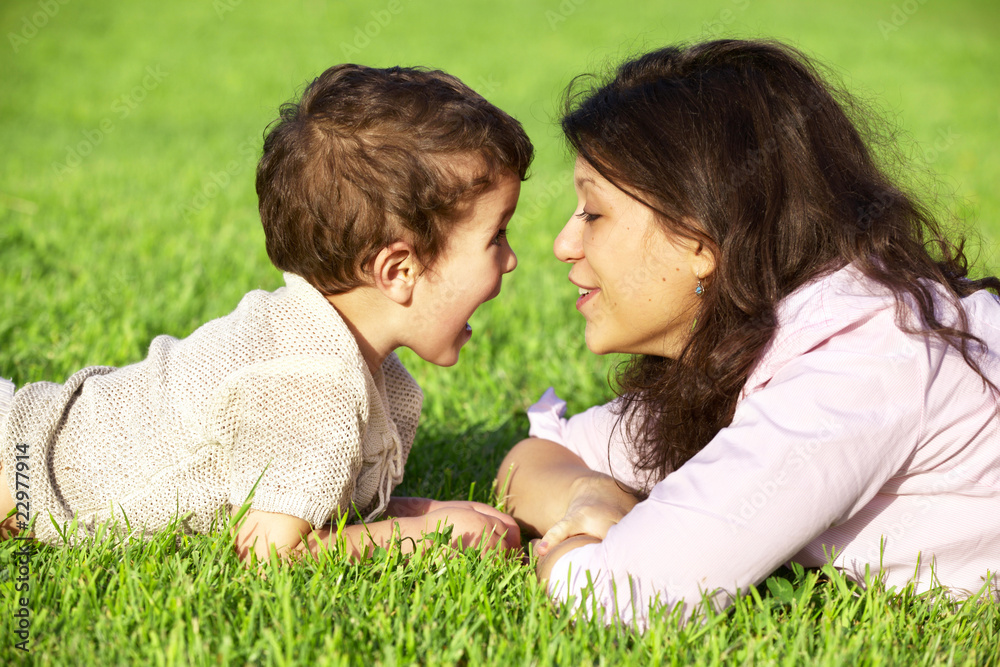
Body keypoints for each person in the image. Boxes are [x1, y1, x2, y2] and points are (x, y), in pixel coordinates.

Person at [496, 39, 1000, 628]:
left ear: (700, 240)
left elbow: (628, 594)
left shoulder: (861, 363)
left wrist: (566, 556)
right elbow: (536, 457)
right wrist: (590, 496)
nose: (564, 245)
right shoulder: (760, 338)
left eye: (594, 213)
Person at [1, 63, 531, 563]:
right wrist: (427, 534)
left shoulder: (345, 355)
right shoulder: (313, 384)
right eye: (496, 235)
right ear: (397, 270)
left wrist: (422, 509)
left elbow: (322, 507)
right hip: (18, 470)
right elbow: (270, 553)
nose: (510, 260)